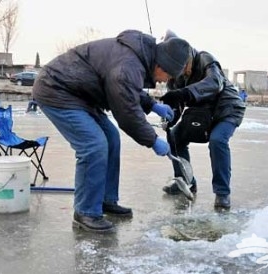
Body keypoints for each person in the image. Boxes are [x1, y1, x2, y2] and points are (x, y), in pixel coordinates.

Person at [32, 30, 190, 232]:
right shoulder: (129, 64)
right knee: (94, 145)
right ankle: (86, 212)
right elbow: (127, 113)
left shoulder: (138, 59)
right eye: (167, 75)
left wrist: (152, 105)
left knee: (112, 138)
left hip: (82, 95)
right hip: (56, 89)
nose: (163, 80)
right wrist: (153, 140)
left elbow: (128, 89)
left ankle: (106, 200)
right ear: (161, 64)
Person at [159, 30, 246, 210]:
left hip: (227, 109)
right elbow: (178, 104)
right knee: (174, 137)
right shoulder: (175, 75)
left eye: (185, 65)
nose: (183, 71)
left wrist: (184, 93)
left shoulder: (205, 58)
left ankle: (222, 193)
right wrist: (169, 118)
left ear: (190, 53)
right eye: (177, 67)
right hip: (202, 113)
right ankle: (185, 181)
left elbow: (215, 83)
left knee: (217, 140)